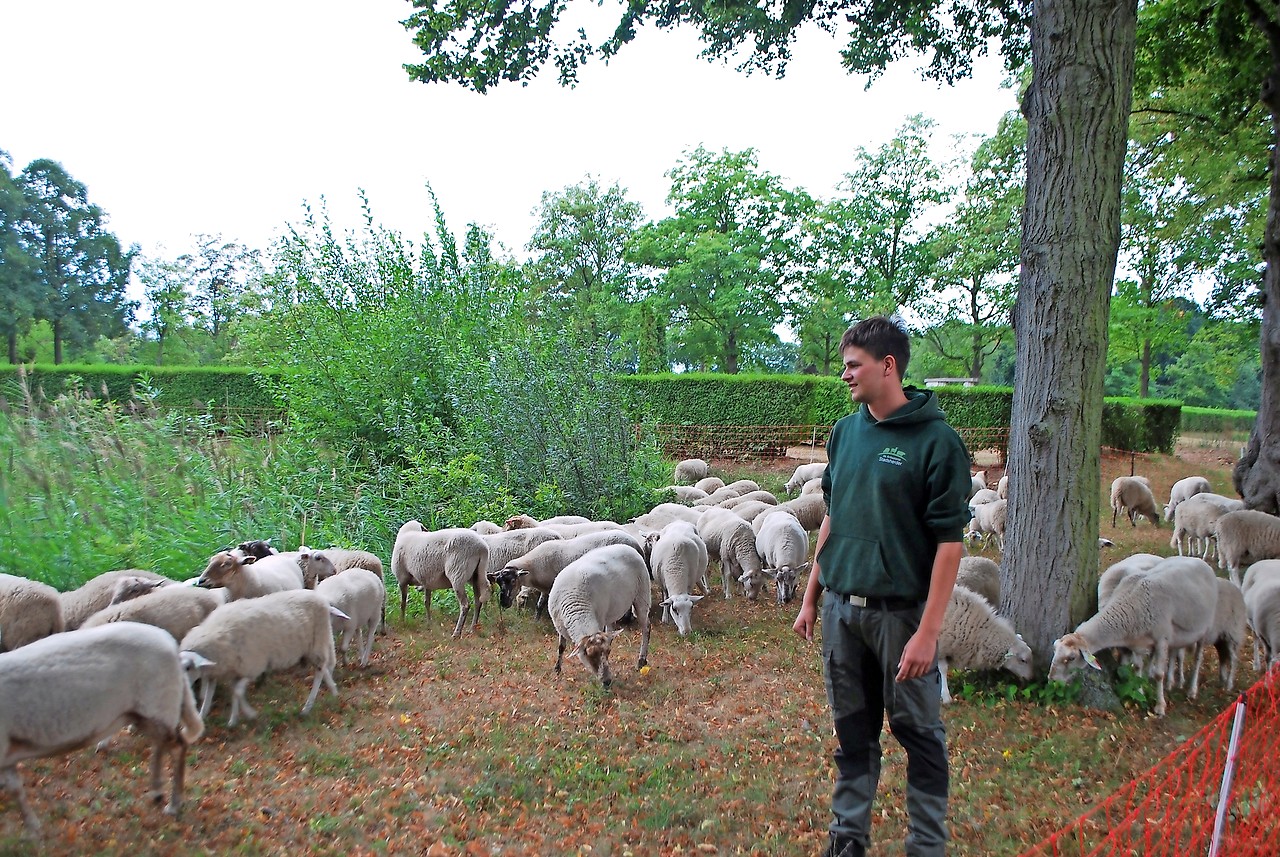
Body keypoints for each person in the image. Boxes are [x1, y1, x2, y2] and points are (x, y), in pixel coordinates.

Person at [793, 316, 971, 857]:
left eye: (853, 365)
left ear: (887, 366)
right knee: (853, 733)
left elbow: (949, 543)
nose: (844, 375)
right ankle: (848, 838)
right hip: (843, 614)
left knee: (918, 734)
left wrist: (928, 633)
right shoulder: (846, 434)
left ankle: (927, 844)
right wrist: (811, 595)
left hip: (902, 618)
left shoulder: (937, 442)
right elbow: (834, 516)